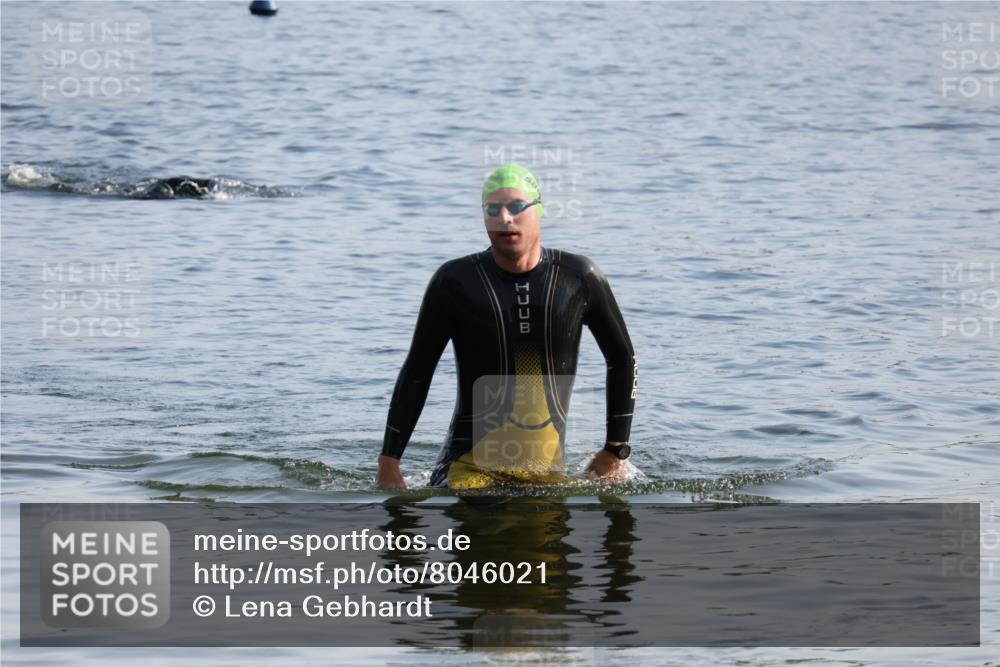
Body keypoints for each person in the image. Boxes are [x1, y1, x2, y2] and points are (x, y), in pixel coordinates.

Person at [376, 163, 636, 490]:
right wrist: (389, 463)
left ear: (538, 211)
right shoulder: (455, 282)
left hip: (544, 474)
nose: (504, 219)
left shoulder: (579, 278)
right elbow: (418, 369)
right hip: (465, 470)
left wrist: (616, 450)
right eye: (492, 209)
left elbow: (623, 359)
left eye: (515, 207)